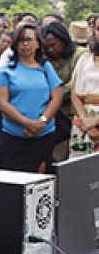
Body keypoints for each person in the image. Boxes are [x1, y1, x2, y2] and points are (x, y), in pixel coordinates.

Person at [0, 23, 62, 173]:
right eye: (21, 40)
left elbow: (56, 97)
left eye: (29, 40)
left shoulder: (46, 68)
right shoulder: (6, 71)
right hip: (14, 136)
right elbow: (2, 103)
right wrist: (28, 123)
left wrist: (41, 122)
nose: (25, 44)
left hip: (44, 135)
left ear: (38, 43)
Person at [41, 22, 87, 163]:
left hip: (74, 112)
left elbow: (76, 82)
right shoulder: (44, 59)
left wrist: (55, 93)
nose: (51, 49)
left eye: (54, 45)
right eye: (47, 46)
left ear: (63, 40)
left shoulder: (79, 55)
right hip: (52, 114)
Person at [70, 22, 99, 156]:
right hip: (83, 123)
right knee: (81, 172)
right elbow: (75, 94)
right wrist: (85, 121)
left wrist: (94, 121)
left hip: (93, 121)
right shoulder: (85, 58)